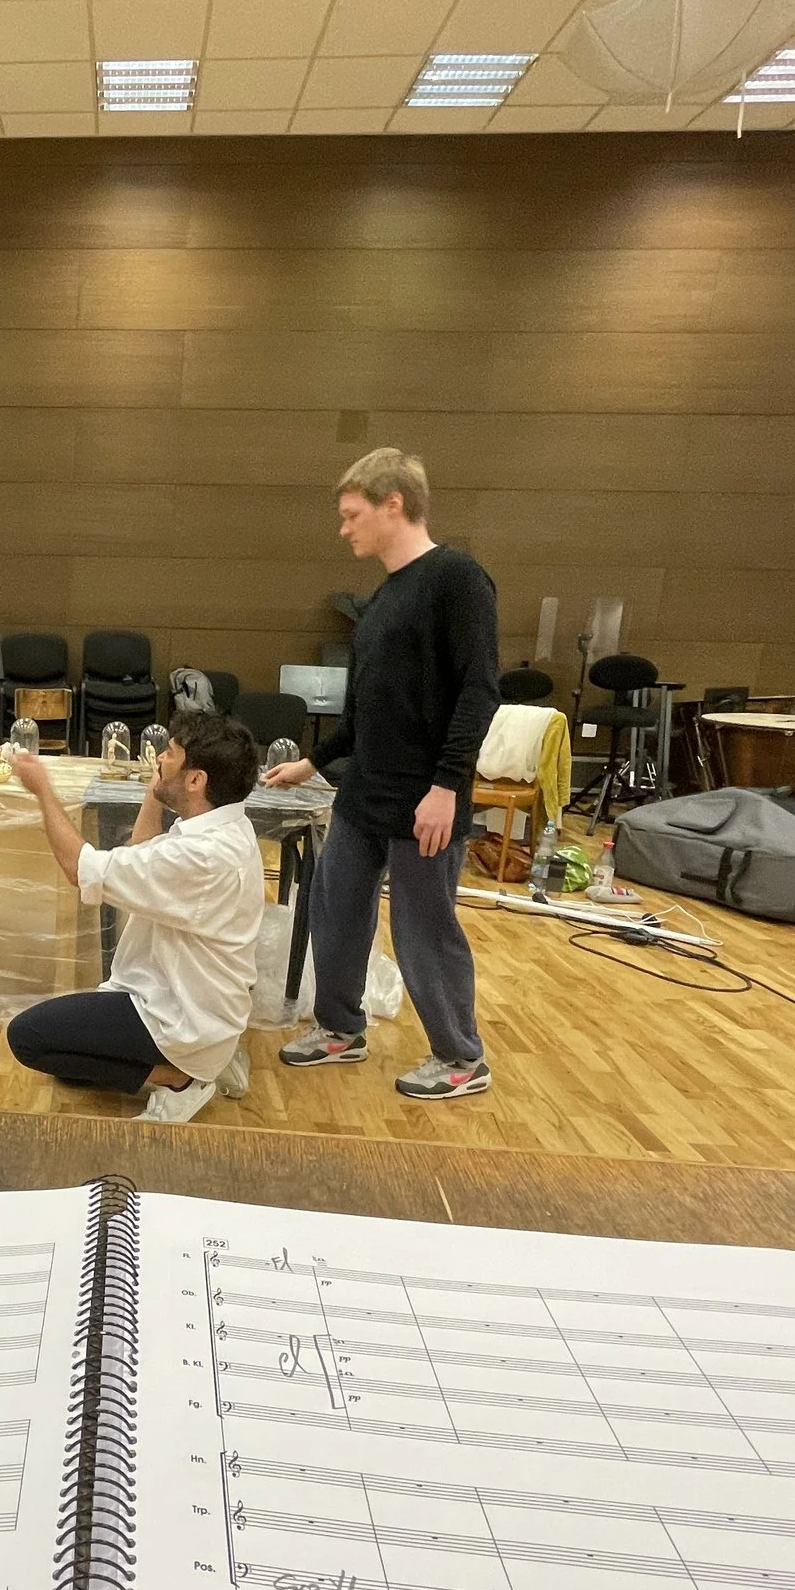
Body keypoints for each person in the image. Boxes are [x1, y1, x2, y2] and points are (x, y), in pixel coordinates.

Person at [264, 447, 500, 1100]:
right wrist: (314, 761)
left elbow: (479, 692)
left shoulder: (457, 578)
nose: (344, 528)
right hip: (363, 792)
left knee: (424, 930)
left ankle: (461, 1057)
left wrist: (448, 786)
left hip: (425, 798)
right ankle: (340, 1028)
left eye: (351, 513)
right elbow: (368, 708)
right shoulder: (383, 598)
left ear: (393, 503)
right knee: (334, 910)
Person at [5, 709, 266, 1124]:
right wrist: (157, 787)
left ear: (197, 780)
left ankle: (185, 1077)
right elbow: (141, 853)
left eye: (171, 754)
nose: (160, 757)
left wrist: (43, 791)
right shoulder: (224, 824)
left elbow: (80, 868)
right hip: (185, 999)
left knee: (28, 1039)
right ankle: (196, 1064)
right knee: (68, 1069)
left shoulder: (202, 856)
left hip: (185, 1019)